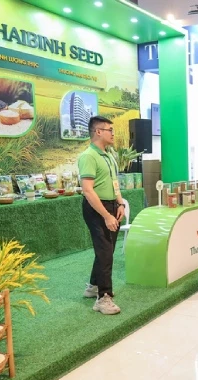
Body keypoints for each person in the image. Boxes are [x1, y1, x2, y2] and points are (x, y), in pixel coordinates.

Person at [78, 116, 125, 315]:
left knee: (106, 250)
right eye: (109, 130)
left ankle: (93, 286)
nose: (113, 133)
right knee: (105, 251)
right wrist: (106, 215)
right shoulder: (88, 156)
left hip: (112, 205)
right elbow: (88, 190)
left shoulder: (108, 155)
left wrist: (120, 203)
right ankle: (103, 298)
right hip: (97, 209)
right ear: (98, 132)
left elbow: (115, 183)